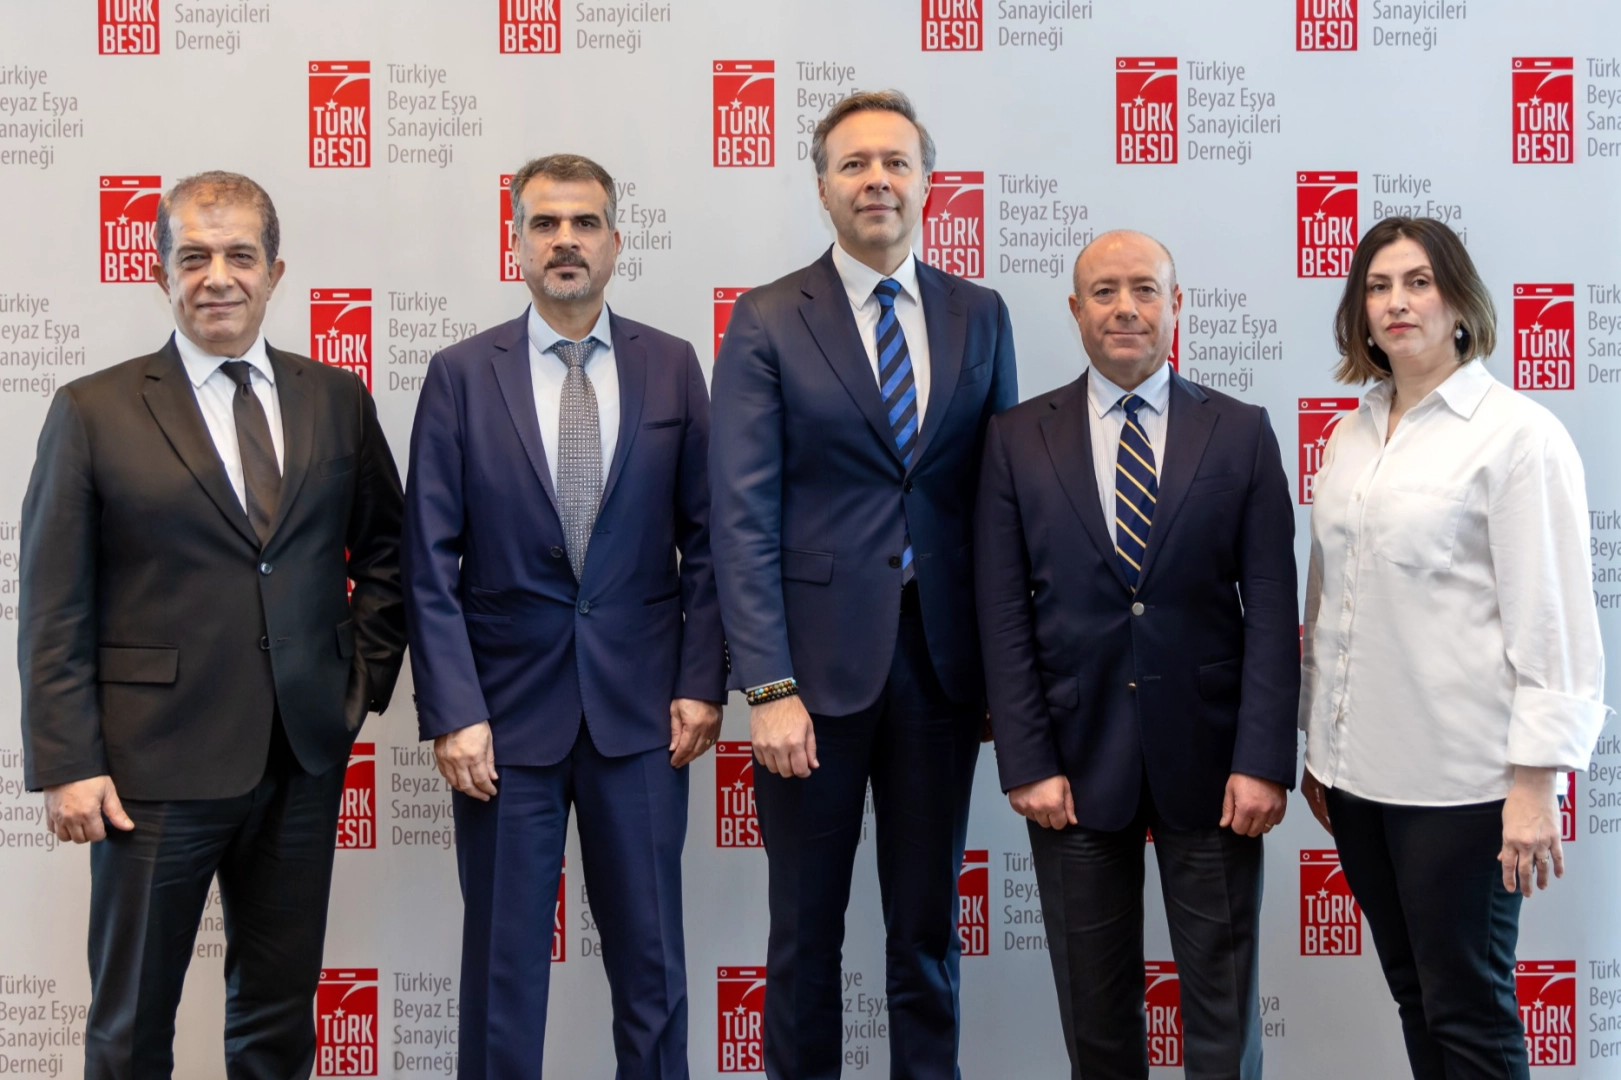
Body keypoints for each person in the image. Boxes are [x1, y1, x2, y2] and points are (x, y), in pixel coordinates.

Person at [18, 171, 405, 1079]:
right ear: (160, 273)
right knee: (130, 1025)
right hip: (150, 770)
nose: (217, 277)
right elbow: (53, 600)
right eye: (193, 257)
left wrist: (356, 684)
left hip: (301, 756)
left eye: (239, 255)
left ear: (276, 272)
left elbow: (389, 553)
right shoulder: (92, 410)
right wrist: (68, 761)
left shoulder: (336, 398)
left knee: (278, 1020)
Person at [709, 90, 1016, 1079]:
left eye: (894, 162)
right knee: (805, 933)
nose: (875, 179)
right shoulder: (766, 318)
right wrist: (767, 686)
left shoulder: (980, 314)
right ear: (822, 188)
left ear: (927, 182)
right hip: (808, 682)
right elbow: (739, 519)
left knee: (926, 930)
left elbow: (1000, 508)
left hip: (941, 673)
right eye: (853, 164)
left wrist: (1005, 677)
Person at [403, 153, 725, 1080]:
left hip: (645, 716)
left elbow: (710, 541)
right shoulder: (461, 374)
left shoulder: (672, 365)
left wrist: (701, 681)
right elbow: (428, 559)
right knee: (502, 975)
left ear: (616, 242)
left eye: (584, 223)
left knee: (653, 970)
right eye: (544, 224)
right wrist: (454, 711)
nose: (565, 241)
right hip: (503, 725)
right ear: (516, 244)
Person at [975, 231, 1298, 1080]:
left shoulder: (1240, 432)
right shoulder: (1015, 438)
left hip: (1217, 772)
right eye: (1105, 291)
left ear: (1175, 304)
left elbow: (1271, 611)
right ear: (1075, 310)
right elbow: (1001, 614)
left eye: (1145, 290)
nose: (1126, 309)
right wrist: (1026, 762)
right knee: (1097, 1024)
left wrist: (1262, 760)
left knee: (1223, 1023)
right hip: (1073, 773)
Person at [1299, 216, 1608, 1080]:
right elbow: (1330, 601)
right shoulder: (1350, 432)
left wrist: (1533, 786)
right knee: (1415, 995)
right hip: (1358, 780)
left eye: (1418, 282)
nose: (1396, 302)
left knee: (1467, 1011)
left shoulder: (1516, 435)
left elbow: (1552, 620)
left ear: (1459, 301)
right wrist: (1319, 750)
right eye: (1377, 286)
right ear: (1358, 313)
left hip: (1463, 789)